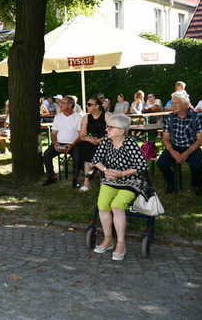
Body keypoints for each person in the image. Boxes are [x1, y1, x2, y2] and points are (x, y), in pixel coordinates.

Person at [91, 114, 149, 261]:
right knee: (102, 205)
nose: (107, 129)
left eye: (110, 127)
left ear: (122, 130)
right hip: (110, 179)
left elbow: (142, 165)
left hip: (130, 181)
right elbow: (96, 160)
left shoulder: (130, 143)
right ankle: (108, 239)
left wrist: (122, 173)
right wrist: (105, 170)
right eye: (107, 126)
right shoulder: (106, 142)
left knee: (117, 205)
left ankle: (121, 243)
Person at [157, 92, 202, 196]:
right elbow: (165, 139)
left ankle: (197, 185)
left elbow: (200, 140)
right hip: (174, 146)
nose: (173, 106)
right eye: (172, 103)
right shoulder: (170, 117)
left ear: (185, 104)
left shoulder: (197, 117)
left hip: (192, 147)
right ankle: (171, 183)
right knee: (161, 163)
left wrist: (186, 153)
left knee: (196, 165)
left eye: (176, 103)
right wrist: (173, 151)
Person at [42, 96, 82, 187]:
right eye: (60, 103)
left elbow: (81, 136)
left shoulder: (78, 117)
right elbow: (53, 133)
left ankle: (75, 180)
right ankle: (51, 177)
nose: (60, 105)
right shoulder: (58, 117)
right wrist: (55, 143)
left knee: (78, 157)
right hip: (59, 143)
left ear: (70, 105)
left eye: (63, 103)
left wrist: (71, 145)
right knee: (46, 154)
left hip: (74, 143)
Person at [77, 97, 110, 192]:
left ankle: (99, 174)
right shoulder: (86, 117)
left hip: (104, 141)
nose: (87, 106)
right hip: (90, 142)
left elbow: (111, 132)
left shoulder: (106, 116)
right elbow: (82, 135)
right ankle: (87, 181)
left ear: (97, 106)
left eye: (89, 104)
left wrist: (100, 140)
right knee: (85, 146)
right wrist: (90, 139)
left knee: (99, 149)